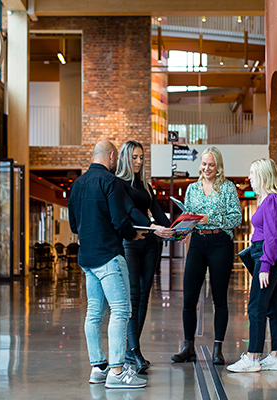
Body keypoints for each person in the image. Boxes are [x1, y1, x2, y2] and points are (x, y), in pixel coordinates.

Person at [68, 141, 148, 389]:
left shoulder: (78, 184)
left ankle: (98, 367)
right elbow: (119, 220)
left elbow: (73, 225)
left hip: (87, 259)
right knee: (121, 310)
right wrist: (133, 235)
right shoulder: (110, 181)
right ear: (112, 157)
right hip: (109, 257)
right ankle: (116, 371)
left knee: (94, 313)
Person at [172, 146, 241, 365]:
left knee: (219, 298)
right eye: (204, 164)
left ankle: (218, 348)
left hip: (220, 242)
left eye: (211, 164)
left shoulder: (228, 188)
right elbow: (189, 216)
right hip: (197, 243)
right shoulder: (192, 189)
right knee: (189, 297)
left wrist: (209, 219)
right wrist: (183, 228)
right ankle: (188, 346)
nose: (207, 168)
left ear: (218, 166)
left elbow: (235, 218)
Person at [115, 140, 174, 374]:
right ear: (125, 158)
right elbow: (130, 211)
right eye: (134, 157)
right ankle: (133, 351)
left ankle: (132, 349)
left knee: (144, 297)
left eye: (141, 157)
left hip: (150, 244)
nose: (138, 161)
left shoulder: (146, 185)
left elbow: (158, 212)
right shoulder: (118, 183)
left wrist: (174, 229)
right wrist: (152, 225)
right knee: (133, 298)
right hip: (131, 243)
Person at [227, 158, 277, 373]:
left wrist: (264, 266)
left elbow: (273, 236)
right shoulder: (267, 199)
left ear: (263, 175)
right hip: (265, 254)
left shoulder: (272, 200)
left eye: (253, 173)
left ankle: (253, 357)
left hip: (267, 255)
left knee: (256, 306)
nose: (250, 177)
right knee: (273, 306)